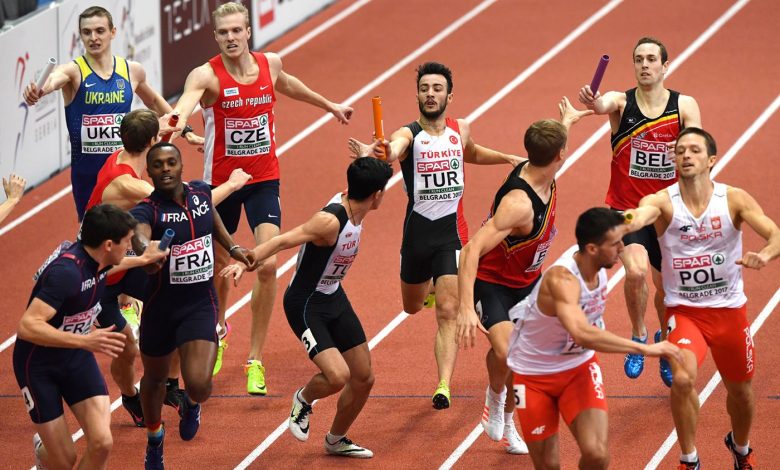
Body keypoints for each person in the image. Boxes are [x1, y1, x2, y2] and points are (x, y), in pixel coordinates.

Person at [171, 1, 354, 393]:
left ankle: (255, 359)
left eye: (237, 30)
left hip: (263, 179)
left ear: (248, 31)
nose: (231, 38)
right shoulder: (206, 75)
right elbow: (185, 104)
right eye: (224, 32)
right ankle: (219, 329)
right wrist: (177, 121)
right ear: (215, 36)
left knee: (267, 264)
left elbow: (288, 84)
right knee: (218, 266)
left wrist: (329, 105)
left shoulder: (269, 64)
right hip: (221, 184)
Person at [348, 61, 522, 409]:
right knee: (412, 307)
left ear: (449, 96)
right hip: (417, 236)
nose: (430, 94)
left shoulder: (461, 129)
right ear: (417, 95)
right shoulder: (409, 134)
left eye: (437, 89)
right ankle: (427, 288)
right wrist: (379, 152)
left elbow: (471, 152)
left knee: (447, 311)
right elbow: (393, 148)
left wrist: (506, 157)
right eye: (424, 89)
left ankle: (443, 384)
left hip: (451, 234)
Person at [84, 108, 250, 427]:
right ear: (150, 143)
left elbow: (155, 139)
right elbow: (189, 202)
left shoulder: (123, 155)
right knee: (126, 346)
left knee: (173, 299)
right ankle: (130, 396)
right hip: (102, 276)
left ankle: (171, 384)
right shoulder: (127, 183)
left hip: (129, 264)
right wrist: (232, 184)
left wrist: (174, 130)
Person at [221, 157, 393, 458]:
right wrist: (245, 262)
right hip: (305, 304)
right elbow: (282, 240)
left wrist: (373, 154)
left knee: (364, 377)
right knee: (337, 376)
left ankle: (336, 440)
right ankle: (303, 399)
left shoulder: (357, 203)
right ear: (377, 195)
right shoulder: (329, 222)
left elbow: (368, 171)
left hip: (333, 297)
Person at [630, 127, 779, 469]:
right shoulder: (662, 202)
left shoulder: (734, 199)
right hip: (685, 313)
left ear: (711, 159)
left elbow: (775, 234)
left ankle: (740, 448)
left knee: (741, 393)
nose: (686, 155)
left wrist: (765, 255)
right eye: (680, 150)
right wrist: (621, 221)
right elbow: (639, 215)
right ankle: (689, 459)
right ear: (673, 159)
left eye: (695, 150)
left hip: (729, 313)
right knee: (682, 380)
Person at [456, 98, 592, 455]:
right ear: (560, 154)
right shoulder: (519, 204)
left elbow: (556, 144)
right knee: (513, 354)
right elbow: (470, 251)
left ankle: (504, 412)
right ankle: (497, 399)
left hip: (527, 283)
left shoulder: (545, 169)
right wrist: (466, 307)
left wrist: (566, 120)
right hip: (492, 284)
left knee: (517, 357)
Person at [505, 207, 682, 469]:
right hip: (534, 376)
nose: (622, 249)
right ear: (592, 248)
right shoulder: (562, 281)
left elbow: (635, 218)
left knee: (597, 455)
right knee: (548, 466)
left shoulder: (597, 260)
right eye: (615, 244)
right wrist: (644, 349)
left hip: (578, 369)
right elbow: (581, 333)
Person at [578, 37, 701, 385]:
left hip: (668, 213)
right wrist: (592, 100)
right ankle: (638, 335)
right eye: (638, 59)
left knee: (666, 289)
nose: (644, 64)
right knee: (634, 272)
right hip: (627, 210)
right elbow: (601, 103)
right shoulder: (621, 102)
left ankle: (664, 339)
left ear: (665, 66)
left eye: (651, 59)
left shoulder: (684, 105)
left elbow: (698, 147)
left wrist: (686, 153)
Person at [129, 142, 256, 469]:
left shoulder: (200, 193)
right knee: (155, 379)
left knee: (199, 385)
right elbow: (139, 235)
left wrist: (233, 247)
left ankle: (191, 404)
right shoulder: (147, 210)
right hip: (160, 308)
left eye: (171, 162)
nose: (165, 169)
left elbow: (211, 218)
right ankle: (155, 438)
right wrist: (146, 251)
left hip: (199, 303)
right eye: (158, 164)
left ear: (181, 165)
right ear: (149, 172)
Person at [12, 204, 158, 470]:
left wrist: (143, 259)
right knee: (63, 461)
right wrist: (84, 341)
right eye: (127, 242)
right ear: (109, 245)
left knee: (102, 443)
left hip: (75, 359)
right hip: (38, 366)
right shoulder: (66, 274)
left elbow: (106, 270)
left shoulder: (98, 260)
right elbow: (28, 326)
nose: (130, 247)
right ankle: (45, 450)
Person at [22, 6, 190, 221]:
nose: (93, 38)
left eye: (99, 31)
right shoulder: (74, 71)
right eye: (86, 32)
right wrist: (40, 90)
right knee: (92, 231)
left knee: (133, 224)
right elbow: (53, 79)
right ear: (80, 36)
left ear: (113, 32)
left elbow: (154, 101)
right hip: (88, 174)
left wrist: (185, 129)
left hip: (123, 168)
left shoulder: (131, 70)